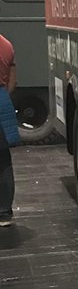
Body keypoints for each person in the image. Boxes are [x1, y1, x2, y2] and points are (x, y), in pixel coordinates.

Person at [0, 32, 18, 227]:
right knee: (3, 160)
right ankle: (4, 212)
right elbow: (12, 81)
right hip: (2, 99)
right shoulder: (6, 44)